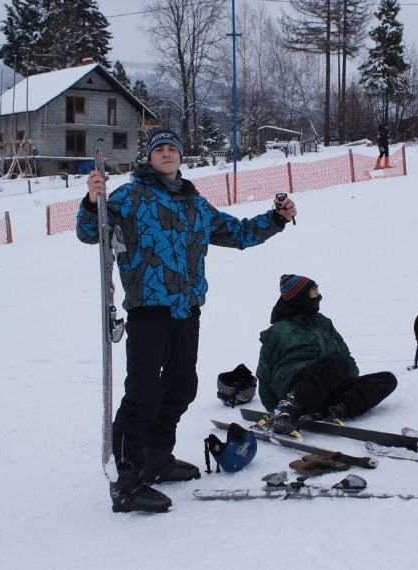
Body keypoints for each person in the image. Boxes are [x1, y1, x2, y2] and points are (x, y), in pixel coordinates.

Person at [76, 127, 297, 513]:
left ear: (180, 157)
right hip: (148, 309)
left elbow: (238, 233)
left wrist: (275, 219)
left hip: (187, 308)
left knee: (181, 387)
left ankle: (157, 460)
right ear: (149, 158)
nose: (166, 153)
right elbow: (89, 232)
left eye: (171, 148)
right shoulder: (129, 197)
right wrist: (92, 199)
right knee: (143, 394)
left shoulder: (194, 203)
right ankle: (125, 481)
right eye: (158, 149)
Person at [256, 274, 397, 436]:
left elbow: (344, 352)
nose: (318, 293)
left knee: (386, 380)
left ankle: (330, 410)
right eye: (313, 290)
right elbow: (264, 370)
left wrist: (351, 383)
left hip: (327, 383)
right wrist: (272, 406)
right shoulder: (279, 331)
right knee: (336, 363)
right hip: (296, 385)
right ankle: (289, 409)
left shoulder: (323, 322)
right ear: (300, 296)